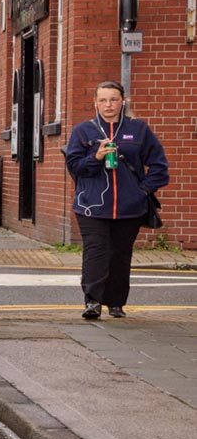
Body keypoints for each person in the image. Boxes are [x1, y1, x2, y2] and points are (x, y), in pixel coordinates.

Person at [64, 80, 170, 321]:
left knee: (120, 254)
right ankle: (92, 301)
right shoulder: (83, 131)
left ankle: (116, 302)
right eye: (102, 100)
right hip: (90, 205)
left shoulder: (139, 130)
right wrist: (96, 156)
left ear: (123, 101)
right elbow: (74, 166)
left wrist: (141, 191)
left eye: (113, 99)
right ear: (95, 103)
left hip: (129, 207)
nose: (108, 105)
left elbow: (159, 167)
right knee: (95, 252)